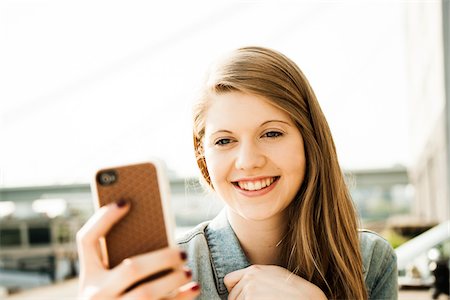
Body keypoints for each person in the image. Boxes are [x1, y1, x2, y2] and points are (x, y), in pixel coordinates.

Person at [77, 46, 398, 299]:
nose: (247, 161)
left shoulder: (370, 261)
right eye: (225, 140)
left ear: (309, 140)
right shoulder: (169, 277)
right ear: (203, 155)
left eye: (271, 133)